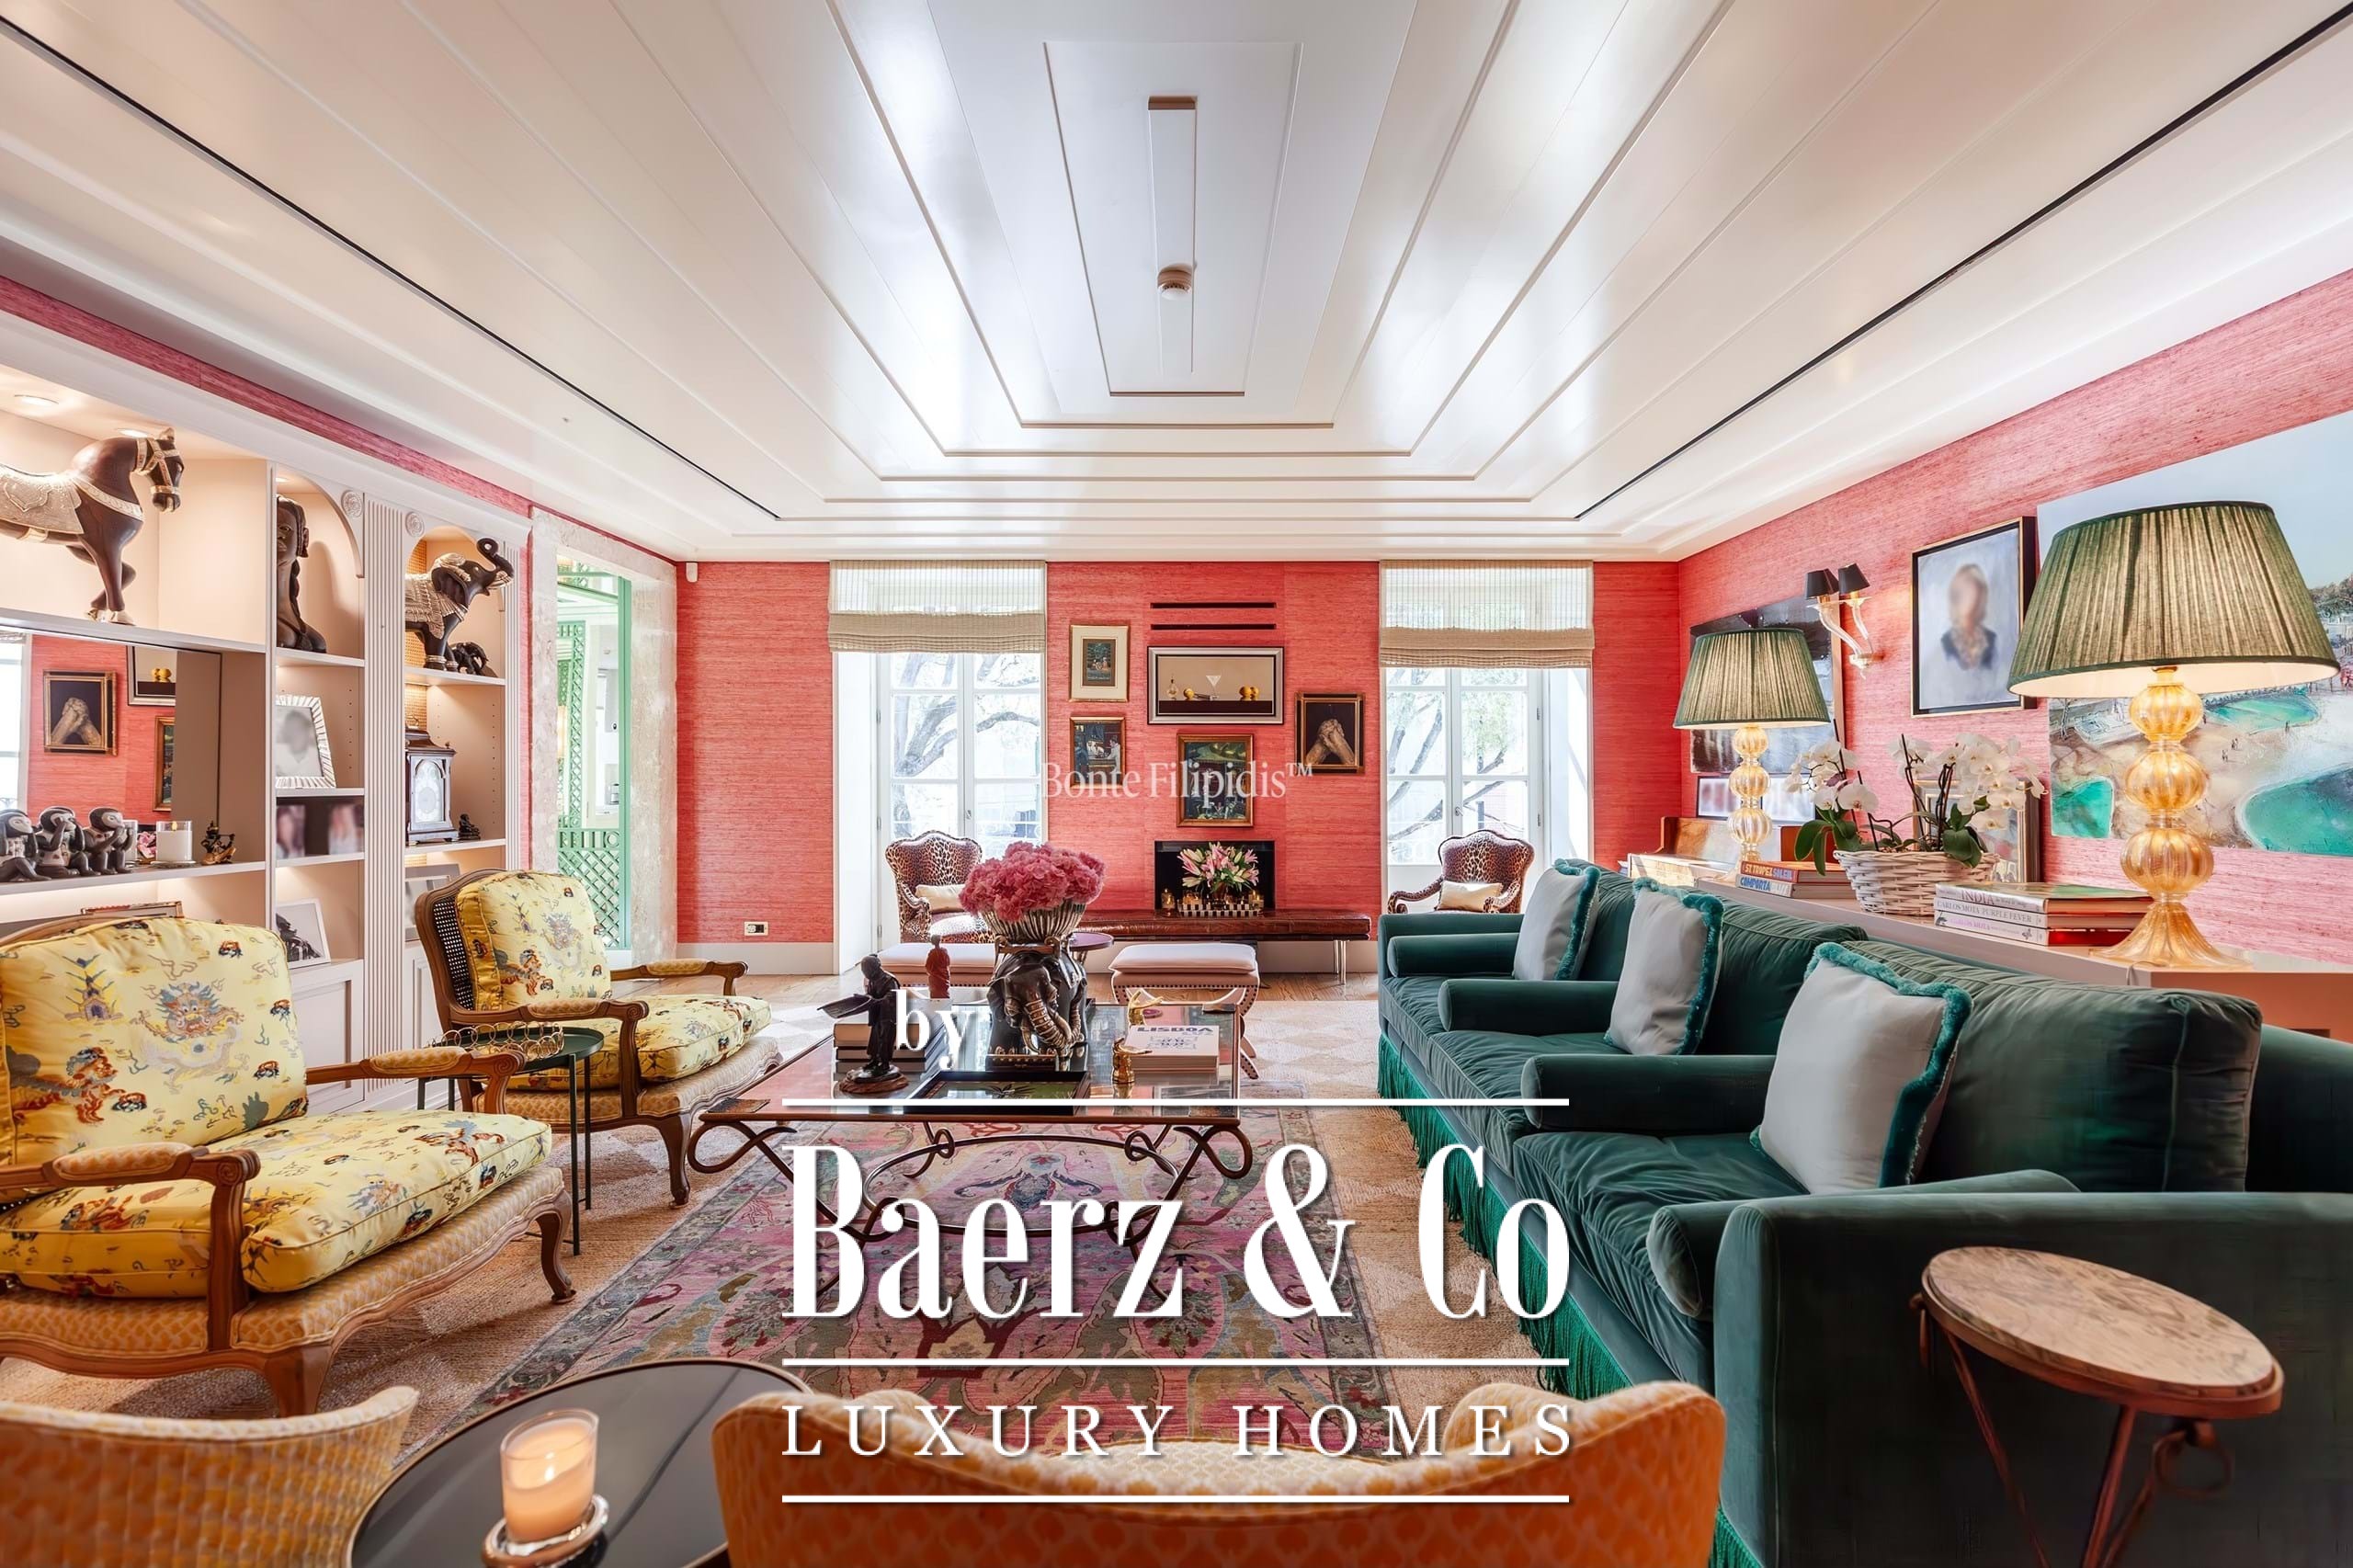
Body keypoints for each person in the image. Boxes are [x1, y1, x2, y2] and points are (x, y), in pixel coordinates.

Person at [1941, 562, 1998, 674]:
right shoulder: (1945, 643)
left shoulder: (1992, 639)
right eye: (1966, 593)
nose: (1972, 600)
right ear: (1955, 597)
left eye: (1976, 593)